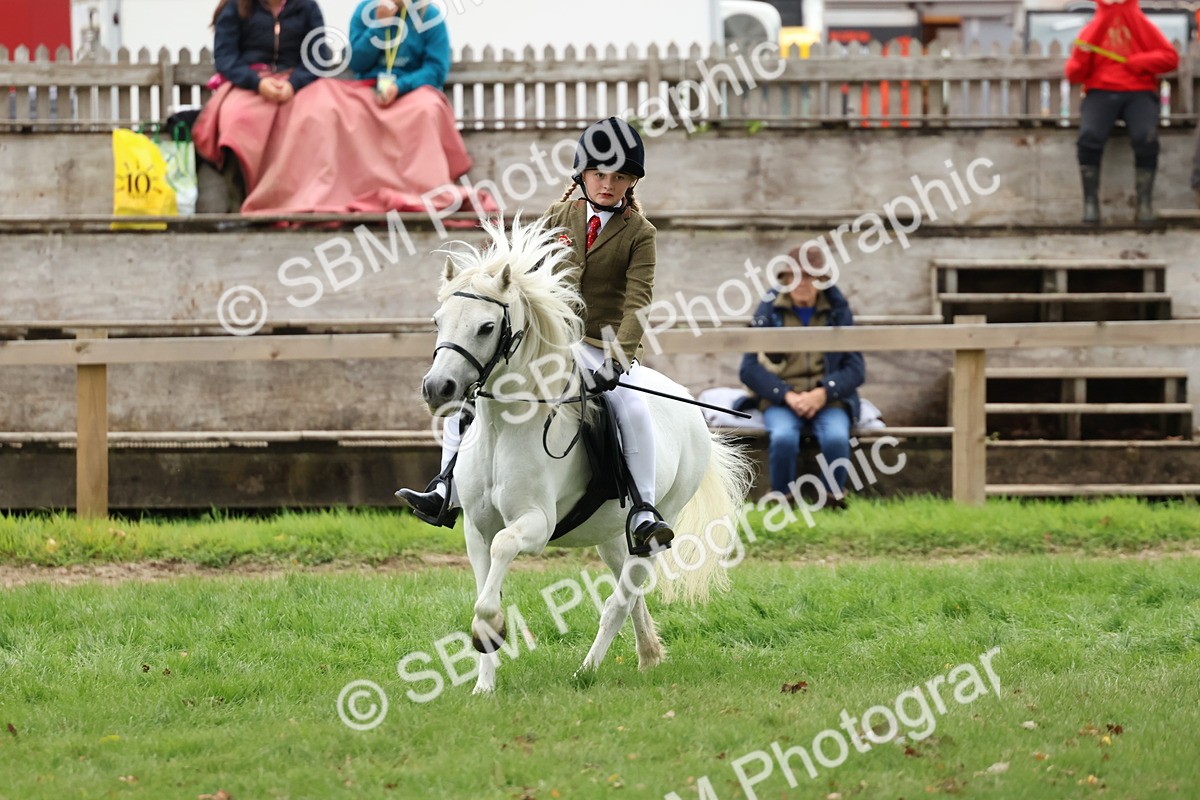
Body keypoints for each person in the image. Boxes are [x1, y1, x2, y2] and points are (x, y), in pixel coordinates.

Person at [398, 117, 673, 553]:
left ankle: (643, 508)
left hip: (602, 345)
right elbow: (518, 275)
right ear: (582, 176)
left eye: (619, 177)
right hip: (551, 341)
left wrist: (617, 362)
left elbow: (638, 302)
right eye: (599, 174)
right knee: (472, 395)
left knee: (634, 408)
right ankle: (444, 487)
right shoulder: (556, 217)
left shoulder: (641, 234)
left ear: (631, 181)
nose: (607, 184)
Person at [194, 0, 492, 216]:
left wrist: (400, 86)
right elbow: (358, 61)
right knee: (240, 120)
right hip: (261, 84)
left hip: (404, 91)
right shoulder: (365, 11)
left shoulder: (430, 16)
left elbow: (436, 68)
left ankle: (424, 190)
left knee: (423, 110)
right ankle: (246, 199)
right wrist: (378, 23)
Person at [739, 247, 865, 503]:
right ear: (784, 280)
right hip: (783, 398)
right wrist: (786, 395)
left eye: (809, 276)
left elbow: (856, 368)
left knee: (837, 438)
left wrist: (823, 392)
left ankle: (831, 498)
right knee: (783, 437)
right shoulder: (769, 313)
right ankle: (782, 497)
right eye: (794, 276)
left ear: (821, 281)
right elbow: (749, 368)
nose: (802, 283)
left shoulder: (838, 312)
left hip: (828, 398)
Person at [1064, 0, 1178, 224]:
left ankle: (1144, 204)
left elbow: (1170, 58)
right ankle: (1090, 204)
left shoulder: (1142, 24)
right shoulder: (1091, 28)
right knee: (1089, 137)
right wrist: (1084, 55)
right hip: (1100, 91)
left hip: (1139, 92)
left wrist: (1139, 62)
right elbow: (1074, 74)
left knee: (1146, 137)